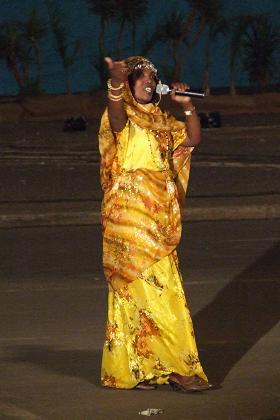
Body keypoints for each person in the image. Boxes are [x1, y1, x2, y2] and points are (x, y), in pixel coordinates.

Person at [99, 55, 212, 392]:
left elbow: (191, 141)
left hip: (160, 219)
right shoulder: (120, 117)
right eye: (143, 75)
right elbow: (117, 112)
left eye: (154, 75)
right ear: (131, 82)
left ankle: (139, 367)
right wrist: (116, 83)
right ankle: (179, 369)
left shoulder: (162, 120)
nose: (151, 80)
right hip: (129, 219)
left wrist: (187, 105)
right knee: (152, 294)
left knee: (158, 291)